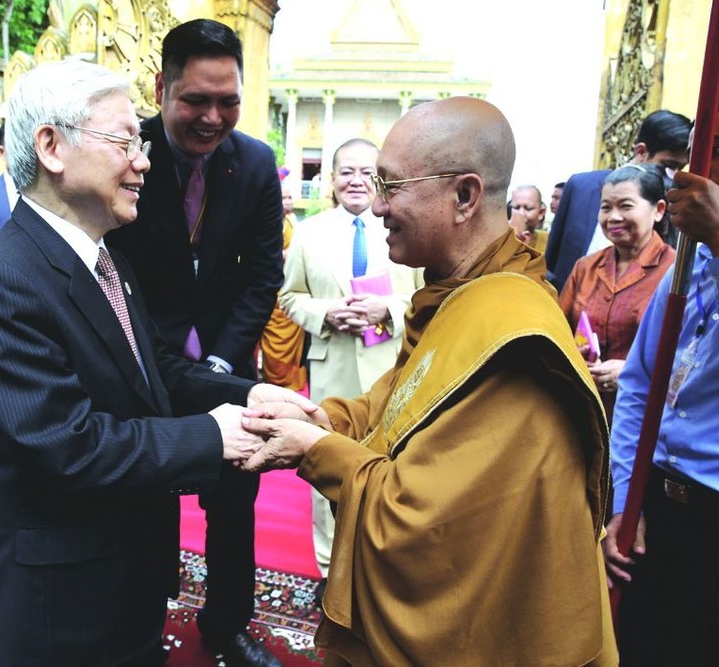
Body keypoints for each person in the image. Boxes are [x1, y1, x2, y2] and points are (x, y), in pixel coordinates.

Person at [0, 58, 309, 667]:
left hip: (124, 577)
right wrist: (212, 436)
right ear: (52, 147)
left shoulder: (106, 257)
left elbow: (155, 369)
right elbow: (67, 445)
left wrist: (246, 395)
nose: (143, 162)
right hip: (54, 609)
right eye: (125, 142)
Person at [241, 96, 617, 666]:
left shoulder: (514, 337)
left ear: (464, 196)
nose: (377, 206)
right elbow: (401, 399)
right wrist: (326, 419)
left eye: (391, 186)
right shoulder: (461, 291)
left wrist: (315, 450)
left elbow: (417, 523)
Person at [103, 19, 284, 667]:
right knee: (144, 503)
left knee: (235, 505)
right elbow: (112, 267)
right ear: (162, 89)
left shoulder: (254, 163)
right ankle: (139, 630)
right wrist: (159, 362)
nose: (212, 118)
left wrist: (219, 363)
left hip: (229, 364)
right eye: (196, 101)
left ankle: (228, 625)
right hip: (142, 363)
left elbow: (262, 274)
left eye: (227, 101)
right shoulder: (128, 155)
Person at [604, 85, 719, 667]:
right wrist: (625, 499)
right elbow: (641, 383)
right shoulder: (695, 253)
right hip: (658, 518)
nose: (697, 171)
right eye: (691, 155)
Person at [278, 137, 422, 602]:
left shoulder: (406, 227)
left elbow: (427, 294)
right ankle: (329, 569)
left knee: (394, 468)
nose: (356, 181)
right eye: (346, 172)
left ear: (380, 180)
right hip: (332, 367)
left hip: (393, 367)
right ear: (332, 179)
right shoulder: (309, 232)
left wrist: (388, 310)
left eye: (366, 172)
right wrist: (325, 314)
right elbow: (289, 296)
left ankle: (384, 566)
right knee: (327, 463)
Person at [558, 164, 676, 420]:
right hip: (583, 407)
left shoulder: (676, 272)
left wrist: (632, 371)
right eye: (606, 207)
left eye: (625, 206)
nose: (613, 217)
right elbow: (557, 331)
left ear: (658, 210)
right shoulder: (585, 267)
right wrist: (573, 354)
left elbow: (690, 354)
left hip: (642, 414)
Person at [546, 109, 692, 290]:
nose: (674, 176)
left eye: (680, 168)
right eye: (669, 166)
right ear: (641, 152)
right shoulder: (581, 187)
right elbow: (550, 263)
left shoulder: (669, 208)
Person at [259, 178, 307, 392]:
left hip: (291, 287)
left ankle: (295, 386)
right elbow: (265, 254)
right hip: (274, 291)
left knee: (295, 347)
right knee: (276, 346)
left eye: (290, 197)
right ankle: (275, 387)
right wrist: (290, 253)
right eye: (283, 197)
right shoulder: (270, 223)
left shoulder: (291, 221)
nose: (287, 201)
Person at [508, 183, 549, 252]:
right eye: (516, 208)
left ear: (541, 213)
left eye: (528, 208)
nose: (521, 213)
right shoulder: (500, 239)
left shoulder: (549, 241)